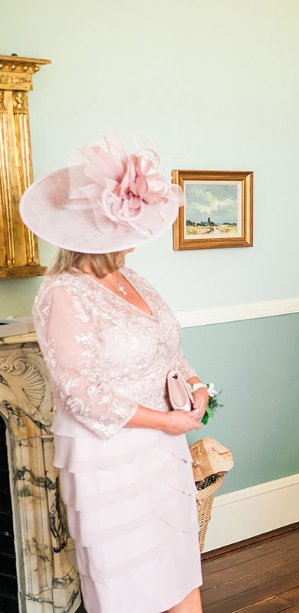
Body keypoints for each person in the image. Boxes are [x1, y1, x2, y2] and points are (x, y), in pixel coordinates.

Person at [20, 132, 206, 613]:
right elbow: (79, 390)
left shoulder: (134, 278)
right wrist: (163, 420)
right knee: (129, 582)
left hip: (165, 447)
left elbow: (168, 348)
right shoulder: (63, 292)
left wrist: (196, 385)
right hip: (109, 453)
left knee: (179, 567)